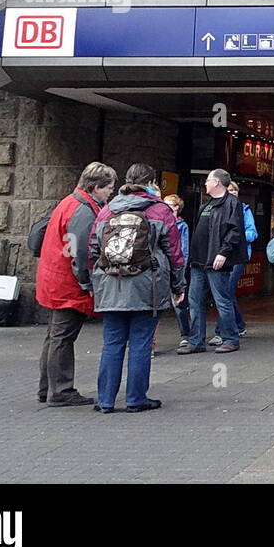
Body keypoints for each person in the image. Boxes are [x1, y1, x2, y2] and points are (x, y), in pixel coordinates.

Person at [89, 163, 184, 413]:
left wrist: (93, 283)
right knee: (141, 342)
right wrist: (178, 285)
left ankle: (106, 400)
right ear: (152, 184)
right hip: (147, 285)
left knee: (112, 342)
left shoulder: (107, 210)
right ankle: (135, 399)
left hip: (110, 285)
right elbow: (174, 252)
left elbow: (92, 249)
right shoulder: (160, 211)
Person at [35, 162, 116, 406]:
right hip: (66, 284)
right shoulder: (82, 210)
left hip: (54, 278)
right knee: (62, 337)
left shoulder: (69, 202)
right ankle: (61, 390)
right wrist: (86, 283)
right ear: (96, 187)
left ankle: (47, 388)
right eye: (108, 187)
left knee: (54, 336)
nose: (111, 192)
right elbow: (80, 252)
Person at [177, 169, 245, 354]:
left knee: (222, 299)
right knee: (194, 299)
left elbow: (235, 230)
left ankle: (231, 338)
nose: (205, 184)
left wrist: (223, 253)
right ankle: (196, 340)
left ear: (216, 183)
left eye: (208, 180)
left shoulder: (232, 203)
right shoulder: (206, 205)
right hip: (199, 259)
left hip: (216, 259)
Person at [212, 181, 256, 345]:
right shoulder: (218, 209)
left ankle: (221, 331)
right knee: (226, 292)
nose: (232, 192)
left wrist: (236, 235)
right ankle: (238, 324)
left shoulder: (244, 210)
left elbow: (253, 233)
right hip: (222, 254)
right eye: (229, 190)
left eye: (235, 190)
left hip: (237, 255)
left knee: (226, 291)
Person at [163, 194, 192, 346]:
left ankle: (186, 334)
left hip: (176, 266)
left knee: (179, 303)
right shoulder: (162, 223)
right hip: (163, 267)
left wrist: (182, 268)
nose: (166, 206)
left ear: (176, 207)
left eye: (170, 204)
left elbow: (184, 249)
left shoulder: (182, 226)